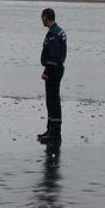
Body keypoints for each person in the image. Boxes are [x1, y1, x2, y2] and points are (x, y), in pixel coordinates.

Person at [38, 8, 67, 143]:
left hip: (53, 70)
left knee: (52, 101)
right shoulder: (58, 31)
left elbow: (54, 56)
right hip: (56, 68)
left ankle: (54, 133)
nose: (41, 20)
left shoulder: (53, 34)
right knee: (52, 100)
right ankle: (51, 129)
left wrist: (46, 71)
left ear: (46, 17)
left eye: (42, 18)